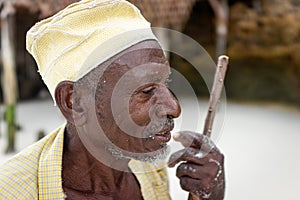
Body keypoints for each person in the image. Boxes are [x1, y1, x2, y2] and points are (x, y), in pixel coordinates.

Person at [0, 0, 225, 199]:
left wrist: (206, 197)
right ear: (74, 102)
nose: (174, 107)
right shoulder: (12, 193)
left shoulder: (148, 169)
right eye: (146, 91)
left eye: (165, 84)